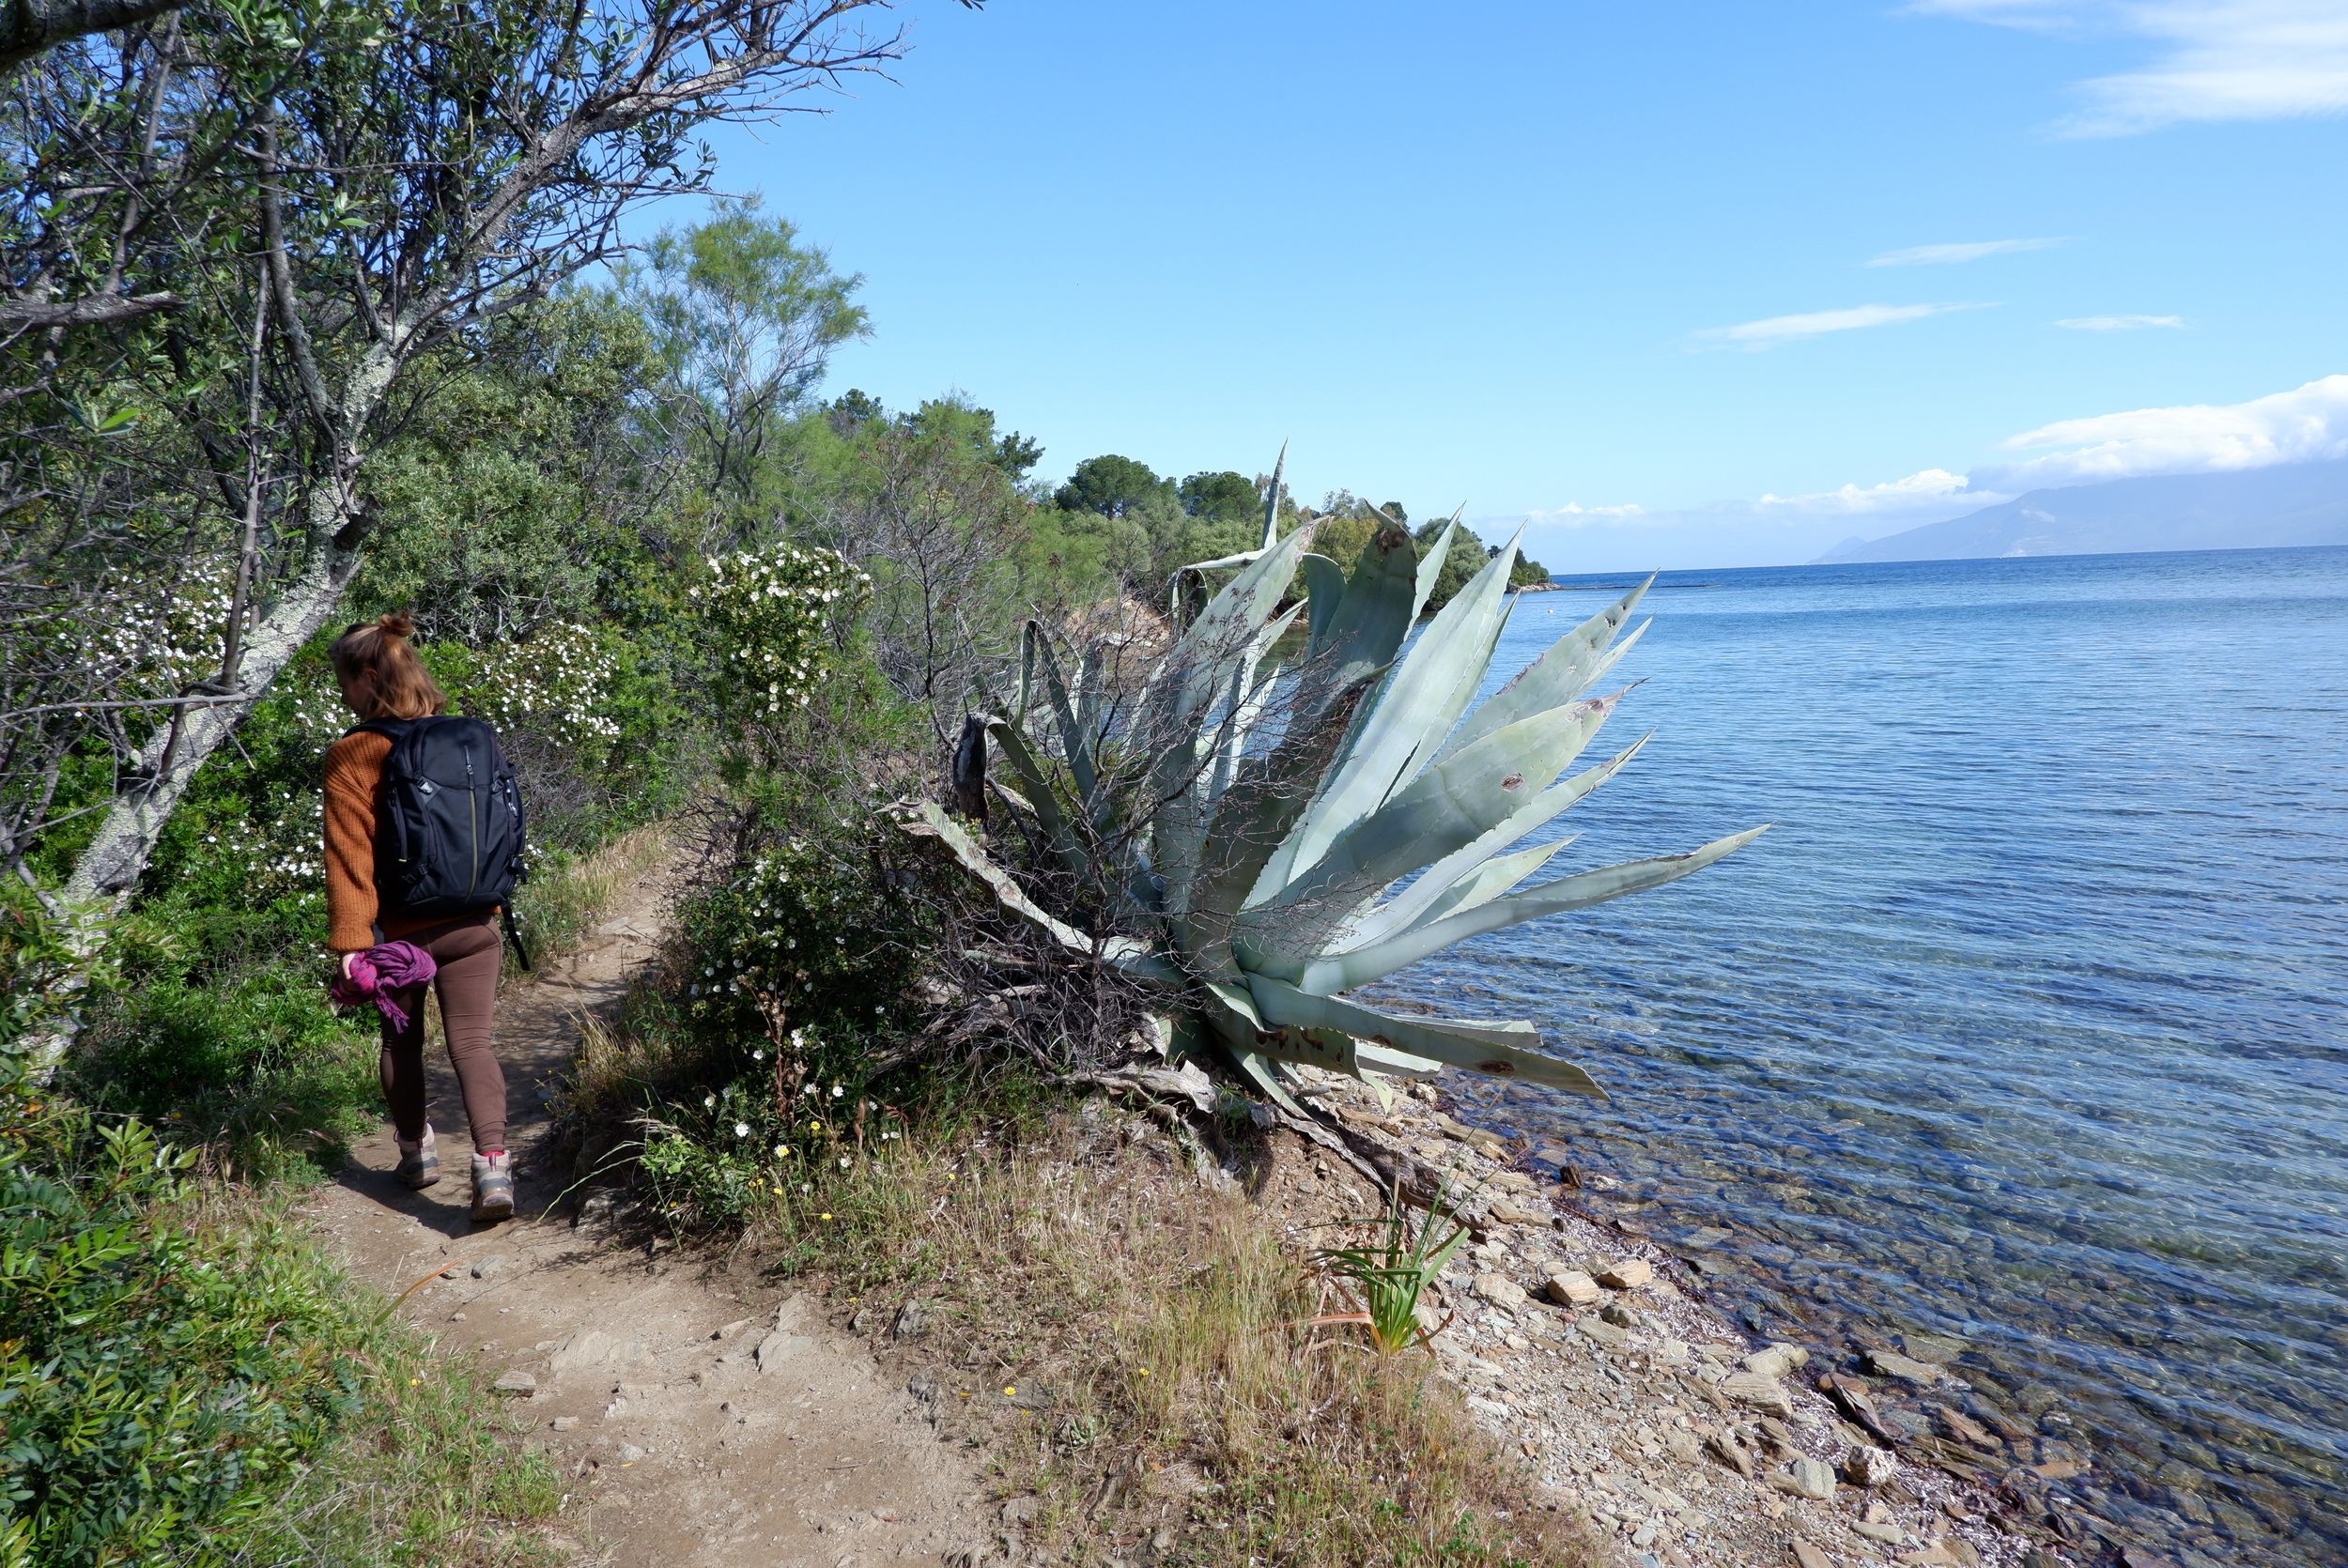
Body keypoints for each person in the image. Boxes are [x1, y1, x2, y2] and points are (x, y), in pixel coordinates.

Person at [322, 611, 514, 1222]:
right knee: (474, 1045)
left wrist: (352, 941)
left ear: (370, 676)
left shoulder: (355, 751)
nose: (342, 693)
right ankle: (492, 1169)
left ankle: (416, 1154)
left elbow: (348, 853)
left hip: (402, 934)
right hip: (476, 920)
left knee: (402, 1047)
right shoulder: (469, 736)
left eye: (345, 682)